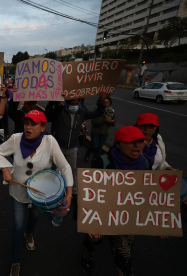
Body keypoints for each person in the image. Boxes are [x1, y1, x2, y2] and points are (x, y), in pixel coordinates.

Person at [0, 110, 73, 276]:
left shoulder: (50, 142)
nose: (28, 127)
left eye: (33, 124)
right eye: (26, 123)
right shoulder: (16, 139)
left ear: (43, 127)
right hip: (18, 192)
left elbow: (65, 167)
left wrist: (69, 194)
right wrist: (5, 169)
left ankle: (29, 233)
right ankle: (15, 262)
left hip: (40, 195)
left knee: (34, 217)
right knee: (18, 225)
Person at [81, 126, 151, 276]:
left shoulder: (145, 164)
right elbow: (89, 194)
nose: (137, 146)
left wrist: (161, 224)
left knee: (124, 256)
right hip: (104, 216)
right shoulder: (102, 162)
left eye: (140, 142)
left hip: (127, 219)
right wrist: (90, 223)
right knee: (94, 241)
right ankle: (86, 256)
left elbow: (147, 195)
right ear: (118, 144)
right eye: (131, 142)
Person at [45, 97, 104, 197]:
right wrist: (54, 101)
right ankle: (52, 191)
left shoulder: (82, 112)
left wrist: (101, 100)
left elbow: (97, 113)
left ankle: (74, 193)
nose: (75, 105)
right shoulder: (60, 111)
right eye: (73, 103)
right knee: (54, 168)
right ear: (67, 104)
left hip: (72, 147)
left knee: (73, 170)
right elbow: (48, 116)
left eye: (77, 103)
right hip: (58, 147)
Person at [84, 97, 116, 162]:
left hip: (105, 133)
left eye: (108, 102)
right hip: (95, 131)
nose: (107, 103)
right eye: (105, 102)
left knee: (99, 147)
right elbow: (93, 122)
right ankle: (87, 154)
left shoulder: (112, 111)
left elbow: (114, 123)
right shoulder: (97, 110)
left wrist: (111, 122)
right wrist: (104, 121)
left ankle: (95, 159)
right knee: (94, 146)